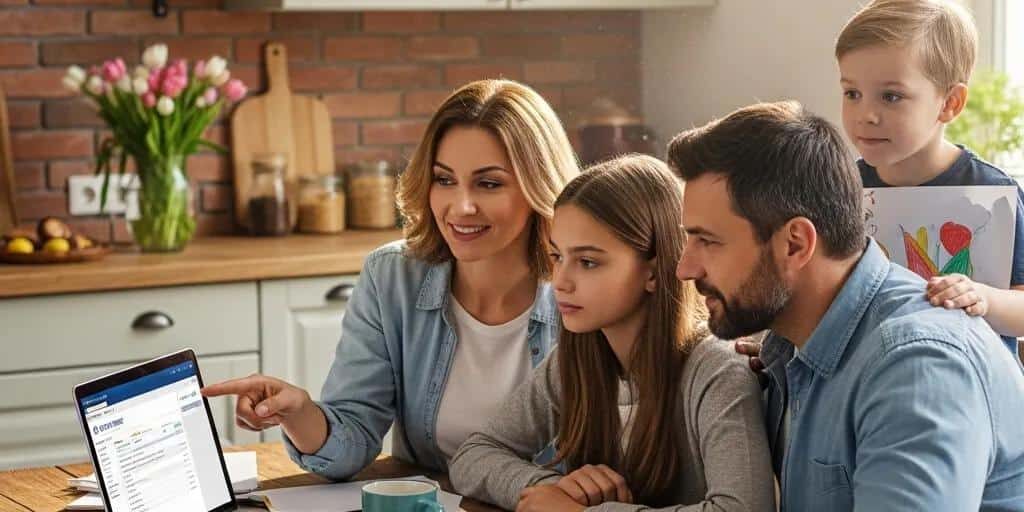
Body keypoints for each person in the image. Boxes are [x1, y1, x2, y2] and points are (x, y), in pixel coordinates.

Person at [201, 79, 580, 480]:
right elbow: (353, 439)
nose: (460, 206)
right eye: (444, 179)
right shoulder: (394, 277)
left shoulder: (581, 289)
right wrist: (300, 412)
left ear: (540, 187)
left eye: (488, 183)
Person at [671, 100, 1024, 510]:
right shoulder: (788, 349)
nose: (685, 268)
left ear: (795, 243)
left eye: (707, 242)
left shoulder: (917, 365)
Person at [450, 154, 775, 512]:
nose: (560, 282)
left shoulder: (717, 373)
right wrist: (552, 491)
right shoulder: (574, 362)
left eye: (588, 262)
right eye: (557, 257)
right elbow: (473, 456)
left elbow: (744, 509)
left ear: (653, 272)